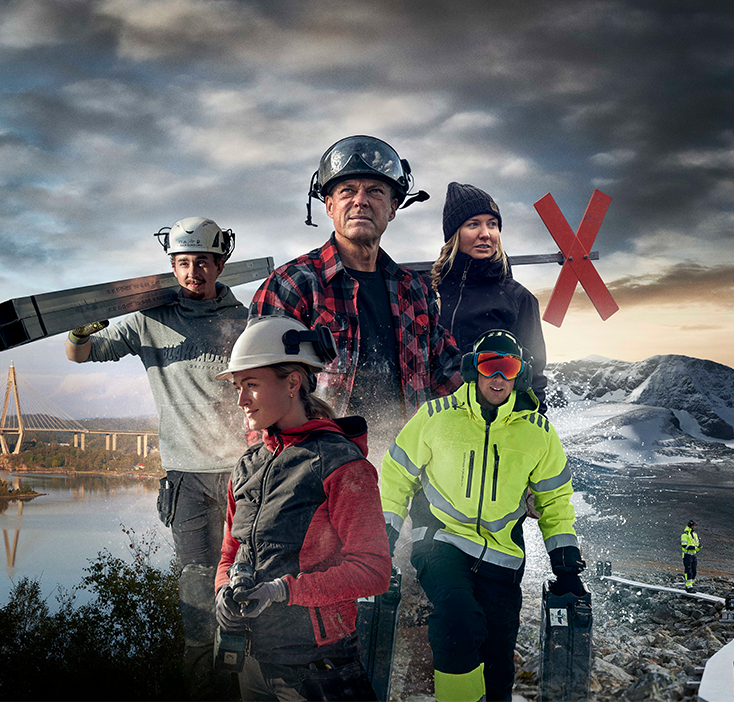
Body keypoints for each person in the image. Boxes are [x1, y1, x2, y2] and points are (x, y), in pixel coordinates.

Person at [65, 216, 248, 699]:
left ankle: (241, 686)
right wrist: (78, 333)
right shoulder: (150, 320)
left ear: (220, 263)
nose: (193, 272)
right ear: (172, 265)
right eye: (183, 262)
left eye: (203, 262)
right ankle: (199, 688)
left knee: (243, 581)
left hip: (241, 473)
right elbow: (82, 356)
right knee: (194, 588)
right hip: (185, 478)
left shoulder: (245, 321)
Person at [380, 329, 585, 702]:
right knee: (458, 621)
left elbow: (555, 501)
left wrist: (566, 568)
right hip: (441, 541)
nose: (498, 377)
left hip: (502, 558)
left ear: (520, 374)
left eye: (509, 367)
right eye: (490, 365)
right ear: (474, 368)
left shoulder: (538, 433)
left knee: (497, 663)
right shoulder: (435, 417)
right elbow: (396, 476)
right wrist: (383, 539)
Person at [213, 315, 391, 701]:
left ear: (293, 382)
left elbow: (374, 571)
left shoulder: (342, 465)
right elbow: (230, 552)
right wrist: (222, 592)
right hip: (253, 662)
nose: (241, 399)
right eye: (239, 387)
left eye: (252, 385)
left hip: (319, 670)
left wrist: (282, 591)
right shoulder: (247, 466)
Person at [249, 135, 461, 455]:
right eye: (347, 190)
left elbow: (449, 380)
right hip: (318, 473)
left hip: (410, 474)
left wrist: (498, 393)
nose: (360, 200)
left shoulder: (415, 290)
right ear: (330, 205)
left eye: (375, 191)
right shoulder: (292, 285)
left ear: (392, 207)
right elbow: (257, 387)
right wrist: (273, 475)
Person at [429, 182, 548, 411]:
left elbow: (534, 377)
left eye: (492, 224)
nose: (485, 234)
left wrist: (532, 424)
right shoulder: (428, 290)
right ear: (455, 233)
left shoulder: (518, 298)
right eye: (473, 224)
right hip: (435, 420)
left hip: (492, 426)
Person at [681, 520, 700, 592]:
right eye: (693, 526)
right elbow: (684, 545)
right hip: (687, 555)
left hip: (693, 555)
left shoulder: (694, 534)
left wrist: (698, 546)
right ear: (691, 526)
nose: (694, 527)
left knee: (694, 570)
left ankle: (691, 585)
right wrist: (693, 547)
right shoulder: (684, 535)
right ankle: (688, 586)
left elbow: (697, 542)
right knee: (688, 570)